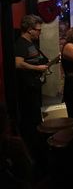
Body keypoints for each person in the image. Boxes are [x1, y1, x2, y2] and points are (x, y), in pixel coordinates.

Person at [14, 14, 49, 177]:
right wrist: (37, 69)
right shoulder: (21, 43)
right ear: (29, 29)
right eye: (37, 30)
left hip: (34, 88)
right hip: (26, 91)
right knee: (30, 122)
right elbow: (18, 63)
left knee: (36, 120)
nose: (39, 33)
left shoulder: (31, 44)